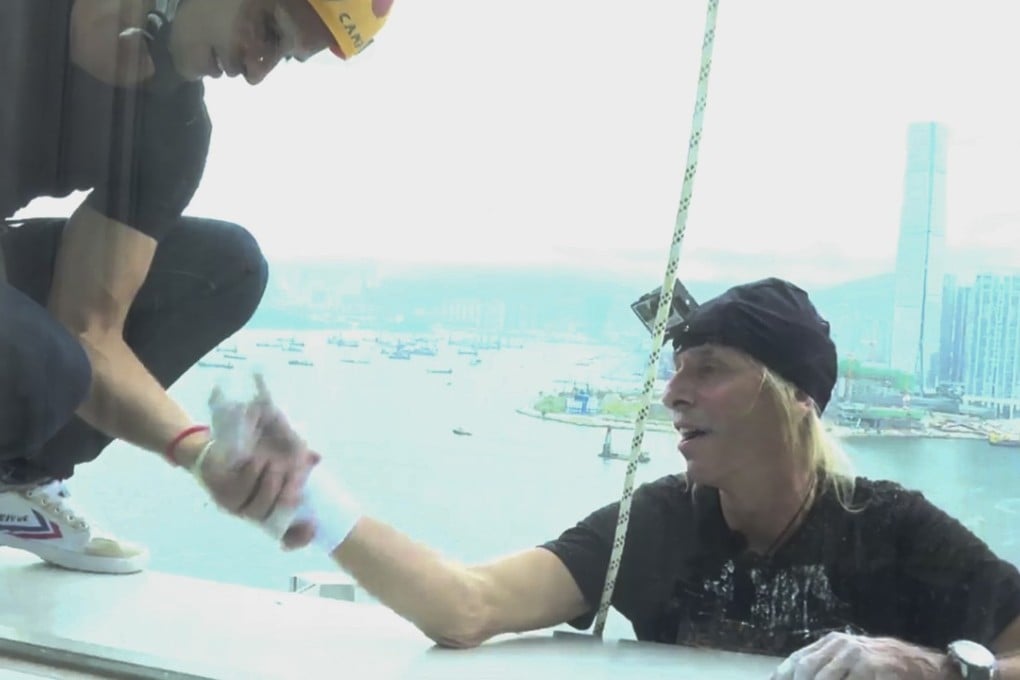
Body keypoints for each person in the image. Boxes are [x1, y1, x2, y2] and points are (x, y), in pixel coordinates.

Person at [236, 277, 1020, 679]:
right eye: (676, 372)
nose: (673, 394)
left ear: (798, 400)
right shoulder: (660, 523)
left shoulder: (890, 529)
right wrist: (313, 495)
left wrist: (939, 667)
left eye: (708, 371)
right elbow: (466, 607)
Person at [0, 0, 393, 574]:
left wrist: (206, 456)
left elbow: (90, 330)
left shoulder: (171, 129)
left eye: (285, 57)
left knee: (228, 267)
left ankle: (15, 478)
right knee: (36, 358)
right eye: (266, 29)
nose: (257, 71)